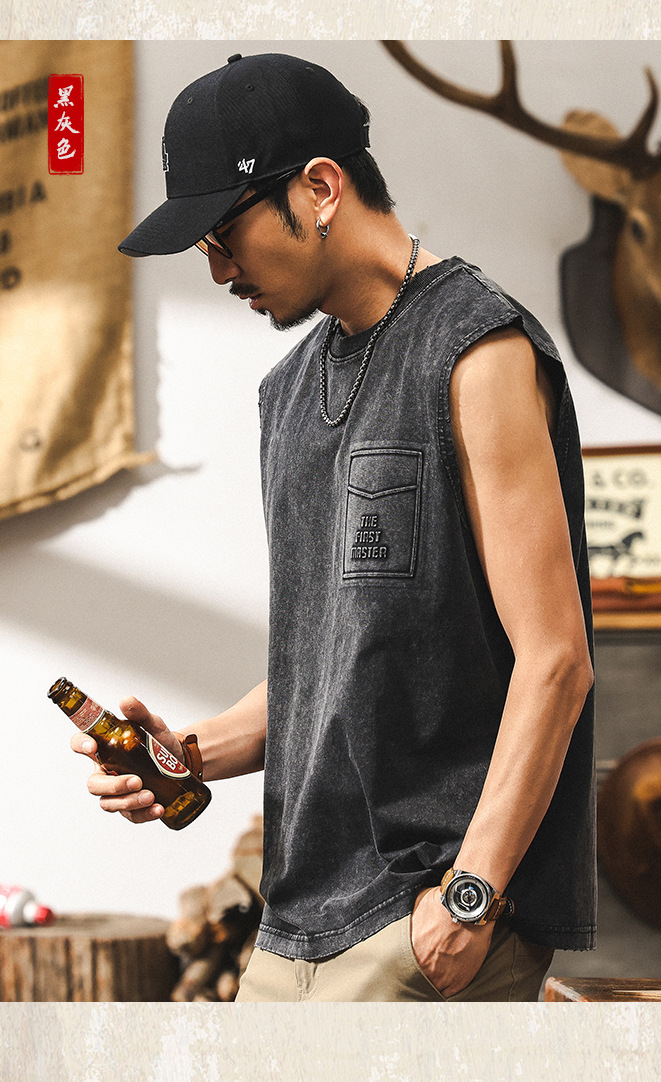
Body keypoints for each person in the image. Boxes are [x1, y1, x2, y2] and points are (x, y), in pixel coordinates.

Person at [72, 50, 596, 1002]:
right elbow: (335, 660)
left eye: (225, 235)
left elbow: (555, 660)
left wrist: (469, 900)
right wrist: (186, 754)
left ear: (319, 189)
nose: (219, 270)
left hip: (426, 920)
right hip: (294, 921)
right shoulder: (286, 392)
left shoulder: (476, 349)